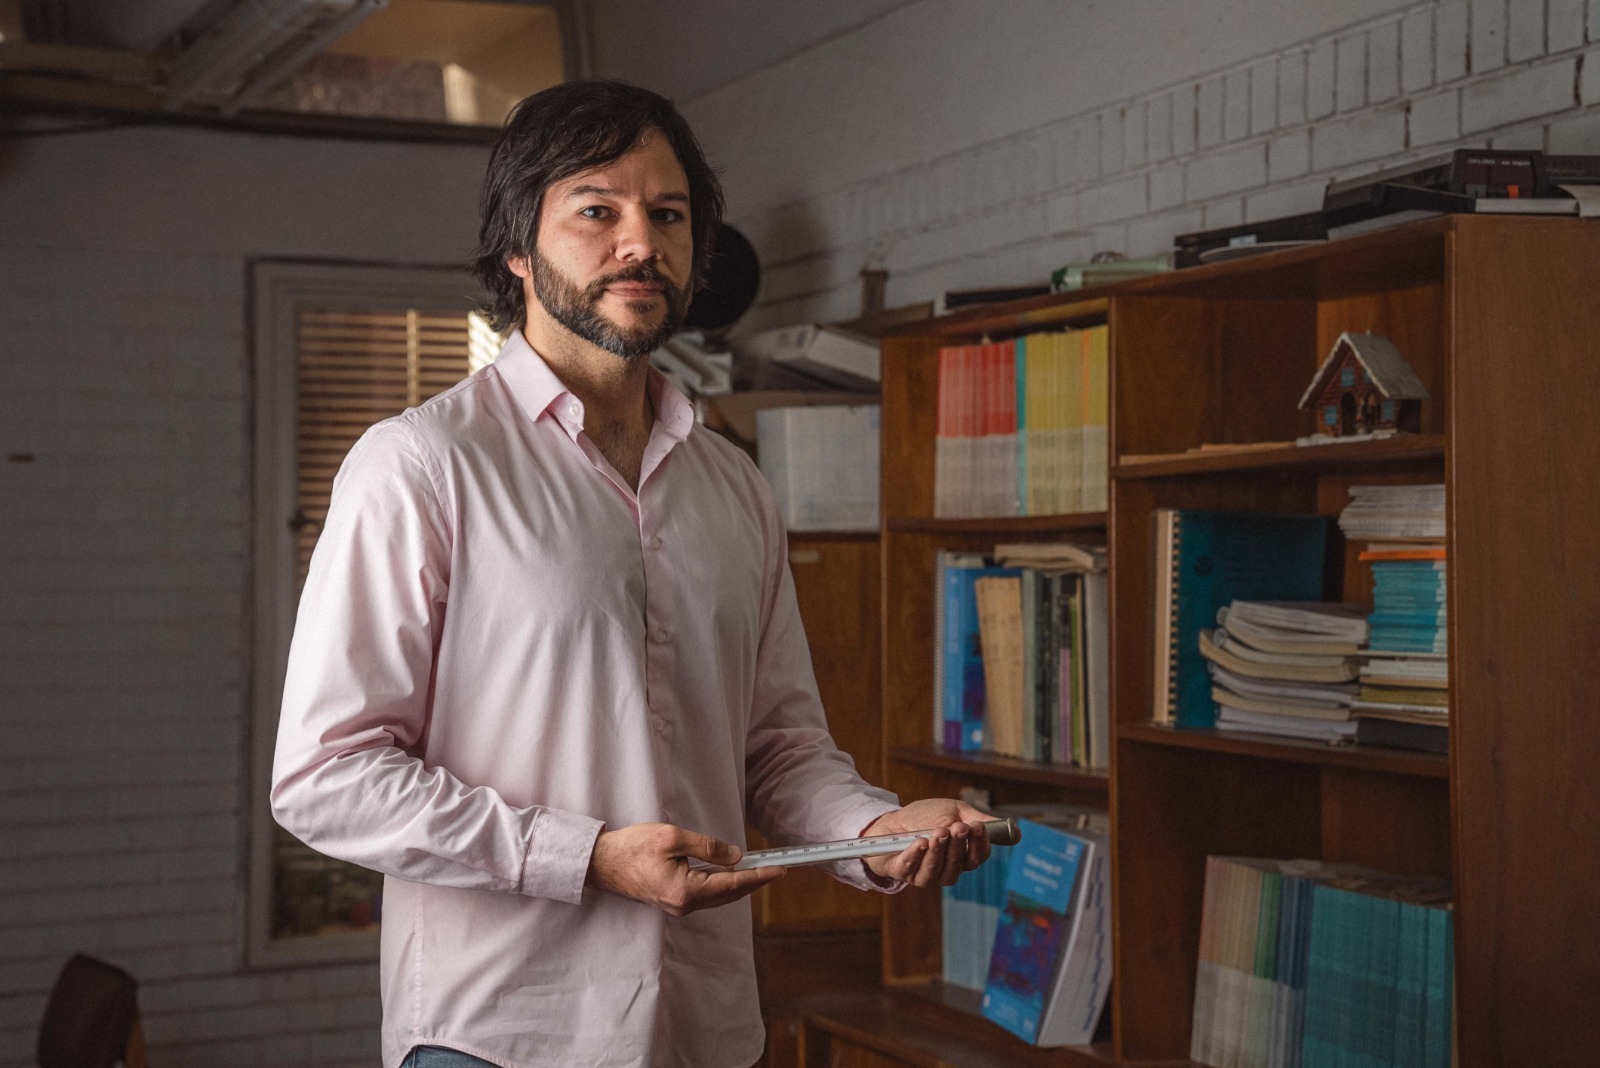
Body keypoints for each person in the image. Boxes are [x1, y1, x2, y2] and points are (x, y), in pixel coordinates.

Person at [270, 79, 994, 1068]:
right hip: (499, 1038)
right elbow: (326, 778)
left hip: (704, 1030)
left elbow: (778, 750)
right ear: (518, 249)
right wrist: (588, 858)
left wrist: (873, 828)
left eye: (667, 214)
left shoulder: (734, 485)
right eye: (596, 211)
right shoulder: (421, 466)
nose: (639, 243)